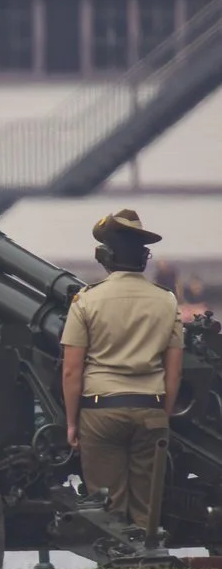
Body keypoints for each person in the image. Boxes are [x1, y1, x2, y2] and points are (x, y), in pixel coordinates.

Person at [61, 208, 183, 540]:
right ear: (144, 258)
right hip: (151, 408)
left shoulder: (86, 301)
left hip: (102, 410)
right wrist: (164, 412)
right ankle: (147, 565)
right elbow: (174, 372)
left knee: (109, 510)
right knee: (147, 507)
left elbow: (72, 370)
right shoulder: (167, 301)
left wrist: (72, 422)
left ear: (106, 256)